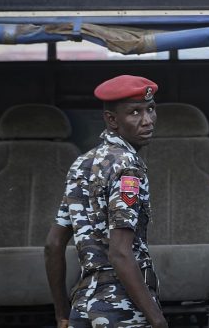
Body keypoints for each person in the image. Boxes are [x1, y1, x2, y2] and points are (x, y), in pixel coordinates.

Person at [44, 75, 167, 328]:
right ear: (112, 120)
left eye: (151, 109)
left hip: (83, 308)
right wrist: (158, 320)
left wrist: (62, 314)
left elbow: (53, 245)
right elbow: (120, 252)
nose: (147, 121)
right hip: (122, 311)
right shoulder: (128, 166)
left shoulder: (82, 163)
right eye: (135, 112)